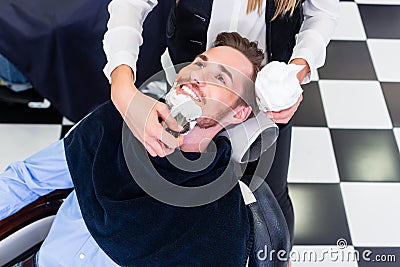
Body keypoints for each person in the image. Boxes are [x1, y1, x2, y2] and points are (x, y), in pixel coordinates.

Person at [0, 33, 290, 266]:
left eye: (221, 79)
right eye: (199, 63)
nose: (197, 75)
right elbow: (26, 180)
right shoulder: (112, 123)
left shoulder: (221, 218)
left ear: (239, 113)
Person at [104, 0, 340, 244]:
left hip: (268, 99)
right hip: (184, 84)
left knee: (270, 196)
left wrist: (297, 70)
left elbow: (323, 13)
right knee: (174, 191)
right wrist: (121, 86)